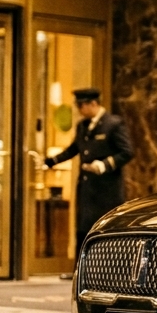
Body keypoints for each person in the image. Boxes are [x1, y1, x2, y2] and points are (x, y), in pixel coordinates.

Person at [45, 88, 134, 250]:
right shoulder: (82, 126)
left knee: (104, 234)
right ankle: (80, 273)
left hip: (106, 191)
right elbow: (74, 149)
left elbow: (127, 152)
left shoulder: (113, 124)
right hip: (87, 191)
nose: (79, 110)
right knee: (84, 233)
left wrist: (104, 165)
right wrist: (51, 161)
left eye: (82, 106)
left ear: (93, 104)